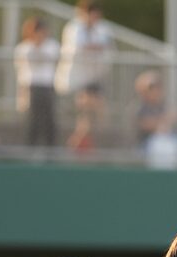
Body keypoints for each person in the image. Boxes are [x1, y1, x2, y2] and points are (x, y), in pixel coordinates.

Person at [56, 0, 115, 153]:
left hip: (94, 78)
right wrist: (94, 48)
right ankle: (77, 144)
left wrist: (93, 48)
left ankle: (80, 143)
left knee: (91, 116)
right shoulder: (74, 28)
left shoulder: (102, 29)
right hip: (76, 81)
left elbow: (105, 48)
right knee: (87, 111)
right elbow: (79, 48)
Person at [14, 17, 60, 147]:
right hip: (31, 86)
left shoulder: (52, 46)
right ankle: (30, 147)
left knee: (49, 118)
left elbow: (51, 59)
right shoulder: (23, 47)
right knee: (32, 119)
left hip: (47, 86)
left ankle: (51, 148)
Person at [134, 70, 177, 168]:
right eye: (151, 88)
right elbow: (144, 124)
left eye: (157, 87)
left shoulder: (164, 105)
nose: (155, 91)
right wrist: (161, 122)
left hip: (167, 141)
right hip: (145, 144)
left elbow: (173, 117)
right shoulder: (139, 108)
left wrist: (160, 123)